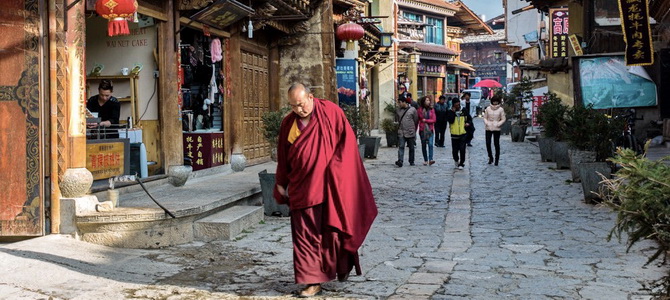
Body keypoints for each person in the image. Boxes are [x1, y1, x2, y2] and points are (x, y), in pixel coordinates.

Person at [274, 83, 378, 297]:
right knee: (304, 238)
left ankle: (341, 267)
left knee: (333, 233)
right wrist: (281, 182)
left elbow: (346, 146)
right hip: (302, 189)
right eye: (293, 106)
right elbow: (284, 157)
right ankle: (312, 281)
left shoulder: (331, 113)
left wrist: (336, 171)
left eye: (301, 105)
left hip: (329, 187)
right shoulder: (288, 124)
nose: (298, 110)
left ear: (310, 97)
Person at [447, 99, 472, 170]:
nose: (458, 106)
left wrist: (468, 123)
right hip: (454, 133)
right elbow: (450, 121)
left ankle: (461, 163)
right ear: (453, 105)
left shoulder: (464, 110)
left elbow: (469, 119)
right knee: (455, 150)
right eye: (456, 105)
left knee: (462, 149)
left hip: (463, 133)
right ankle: (456, 160)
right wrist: (452, 112)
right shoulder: (450, 111)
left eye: (458, 104)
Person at [395, 96, 418, 167]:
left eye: (400, 102)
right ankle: (400, 160)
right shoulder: (398, 110)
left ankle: (411, 161)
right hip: (401, 131)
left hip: (410, 131)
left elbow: (416, 119)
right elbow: (397, 119)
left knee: (411, 147)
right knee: (401, 146)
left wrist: (413, 128)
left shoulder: (412, 109)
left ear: (404, 102)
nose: (399, 104)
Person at [483, 95, 506, 166]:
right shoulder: (488, 109)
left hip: (496, 128)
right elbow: (485, 117)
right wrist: (487, 123)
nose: (495, 103)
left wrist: (498, 124)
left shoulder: (501, 109)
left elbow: (503, 118)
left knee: (496, 144)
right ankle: (490, 157)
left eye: (496, 102)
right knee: (488, 143)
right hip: (488, 128)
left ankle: (497, 159)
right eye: (494, 101)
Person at [418, 96, 436, 166]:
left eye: (429, 100)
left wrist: (426, 120)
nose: (428, 102)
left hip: (430, 129)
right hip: (422, 129)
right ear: (423, 102)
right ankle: (425, 159)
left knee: (431, 144)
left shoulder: (432, 110)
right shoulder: (419, 110)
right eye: (426, 100)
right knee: (423, 145)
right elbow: (418, 119)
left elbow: (434, 120)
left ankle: (431, 159)